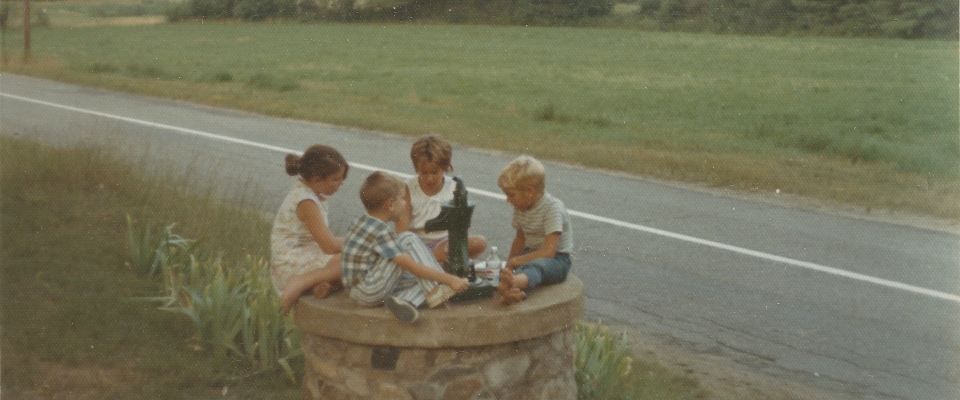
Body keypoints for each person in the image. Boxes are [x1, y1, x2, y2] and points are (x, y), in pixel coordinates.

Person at [341, 171, 470, 322]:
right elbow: (410, 266)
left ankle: (405, 301)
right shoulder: (381, 231)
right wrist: (450, 279)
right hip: (369, 289)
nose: (405, 203)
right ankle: (434, 291)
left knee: (422, 278)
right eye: (402, 199)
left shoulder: (361, 221)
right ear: (389, 204)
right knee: (407, 238)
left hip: (358, 292)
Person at [271, 145, 349, 316]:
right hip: (292, 262)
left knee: (357, 264)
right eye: (336, 179)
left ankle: (321, 285)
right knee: (359, 261)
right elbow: (329, 247)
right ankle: (303, 281)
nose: (341, 183)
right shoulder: (306, 202)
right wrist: (361, 242)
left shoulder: (307, 191)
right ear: (317, 180)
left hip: (305, 255)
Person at [496, 155, 574, 306]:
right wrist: (509, 265)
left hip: (557, 259)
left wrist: (515, 261)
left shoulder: (553, 208)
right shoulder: (521, 207)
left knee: (536, 267)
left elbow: (549, 252)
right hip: (531, 252)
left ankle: (514, 283)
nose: (507, 199)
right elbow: (520, 239)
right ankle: (512, 293)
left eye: (511, 195)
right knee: (519, 268)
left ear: (530, 191)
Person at [406, 135, 487, 264]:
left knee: (480, 242)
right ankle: (434, 263)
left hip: (445, 244)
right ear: (417, 169)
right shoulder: (407, 188)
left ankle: (430, 263)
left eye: (434, 172)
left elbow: (461, 229)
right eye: (424, 173)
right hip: (417, 244)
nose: (429, 179)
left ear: (445, 167)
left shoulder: (455, 187)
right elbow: (402, 232)